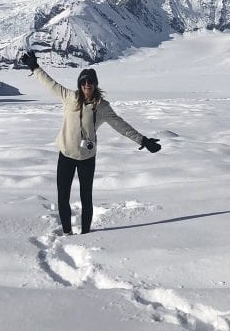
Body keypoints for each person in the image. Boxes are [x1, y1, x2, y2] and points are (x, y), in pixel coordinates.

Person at [20, 50, 161, 234]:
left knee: (86, 198)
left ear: (95, 84)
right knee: (63, 197)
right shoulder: (69, 97)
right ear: (79, 84)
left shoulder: (102, 107)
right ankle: (67, 232)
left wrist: (143, 140)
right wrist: (35, 67)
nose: (87, 84)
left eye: (90, 81)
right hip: (66, 155)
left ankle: (85, 234)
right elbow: (50, 84)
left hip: (87, 158)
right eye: (84, 81)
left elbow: (121, 125)